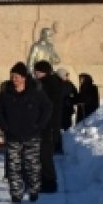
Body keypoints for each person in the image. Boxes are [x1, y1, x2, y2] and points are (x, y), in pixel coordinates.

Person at [0, 61, 52, 203]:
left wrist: (39, 125)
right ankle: (16, 193)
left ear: (24, 77)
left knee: (32, 165)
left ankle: (33, 190)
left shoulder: (35, 92)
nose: (14, 79)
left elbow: (47, 108)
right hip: (12, 135)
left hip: (31, 135)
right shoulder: (5, 93)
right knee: (13, 166)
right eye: (12, 76)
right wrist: (4, 126)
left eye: (17, 76)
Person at [32, 60, 65, 192]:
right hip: (49, 125)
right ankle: (45, 182)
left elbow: (47, 105)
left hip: (48, 125)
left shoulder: (48, 84)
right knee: (42, 155)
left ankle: (49, 184)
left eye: (37, 72)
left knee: (45, 156)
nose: (35, 74)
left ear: (44, 72)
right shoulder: (50, 83)